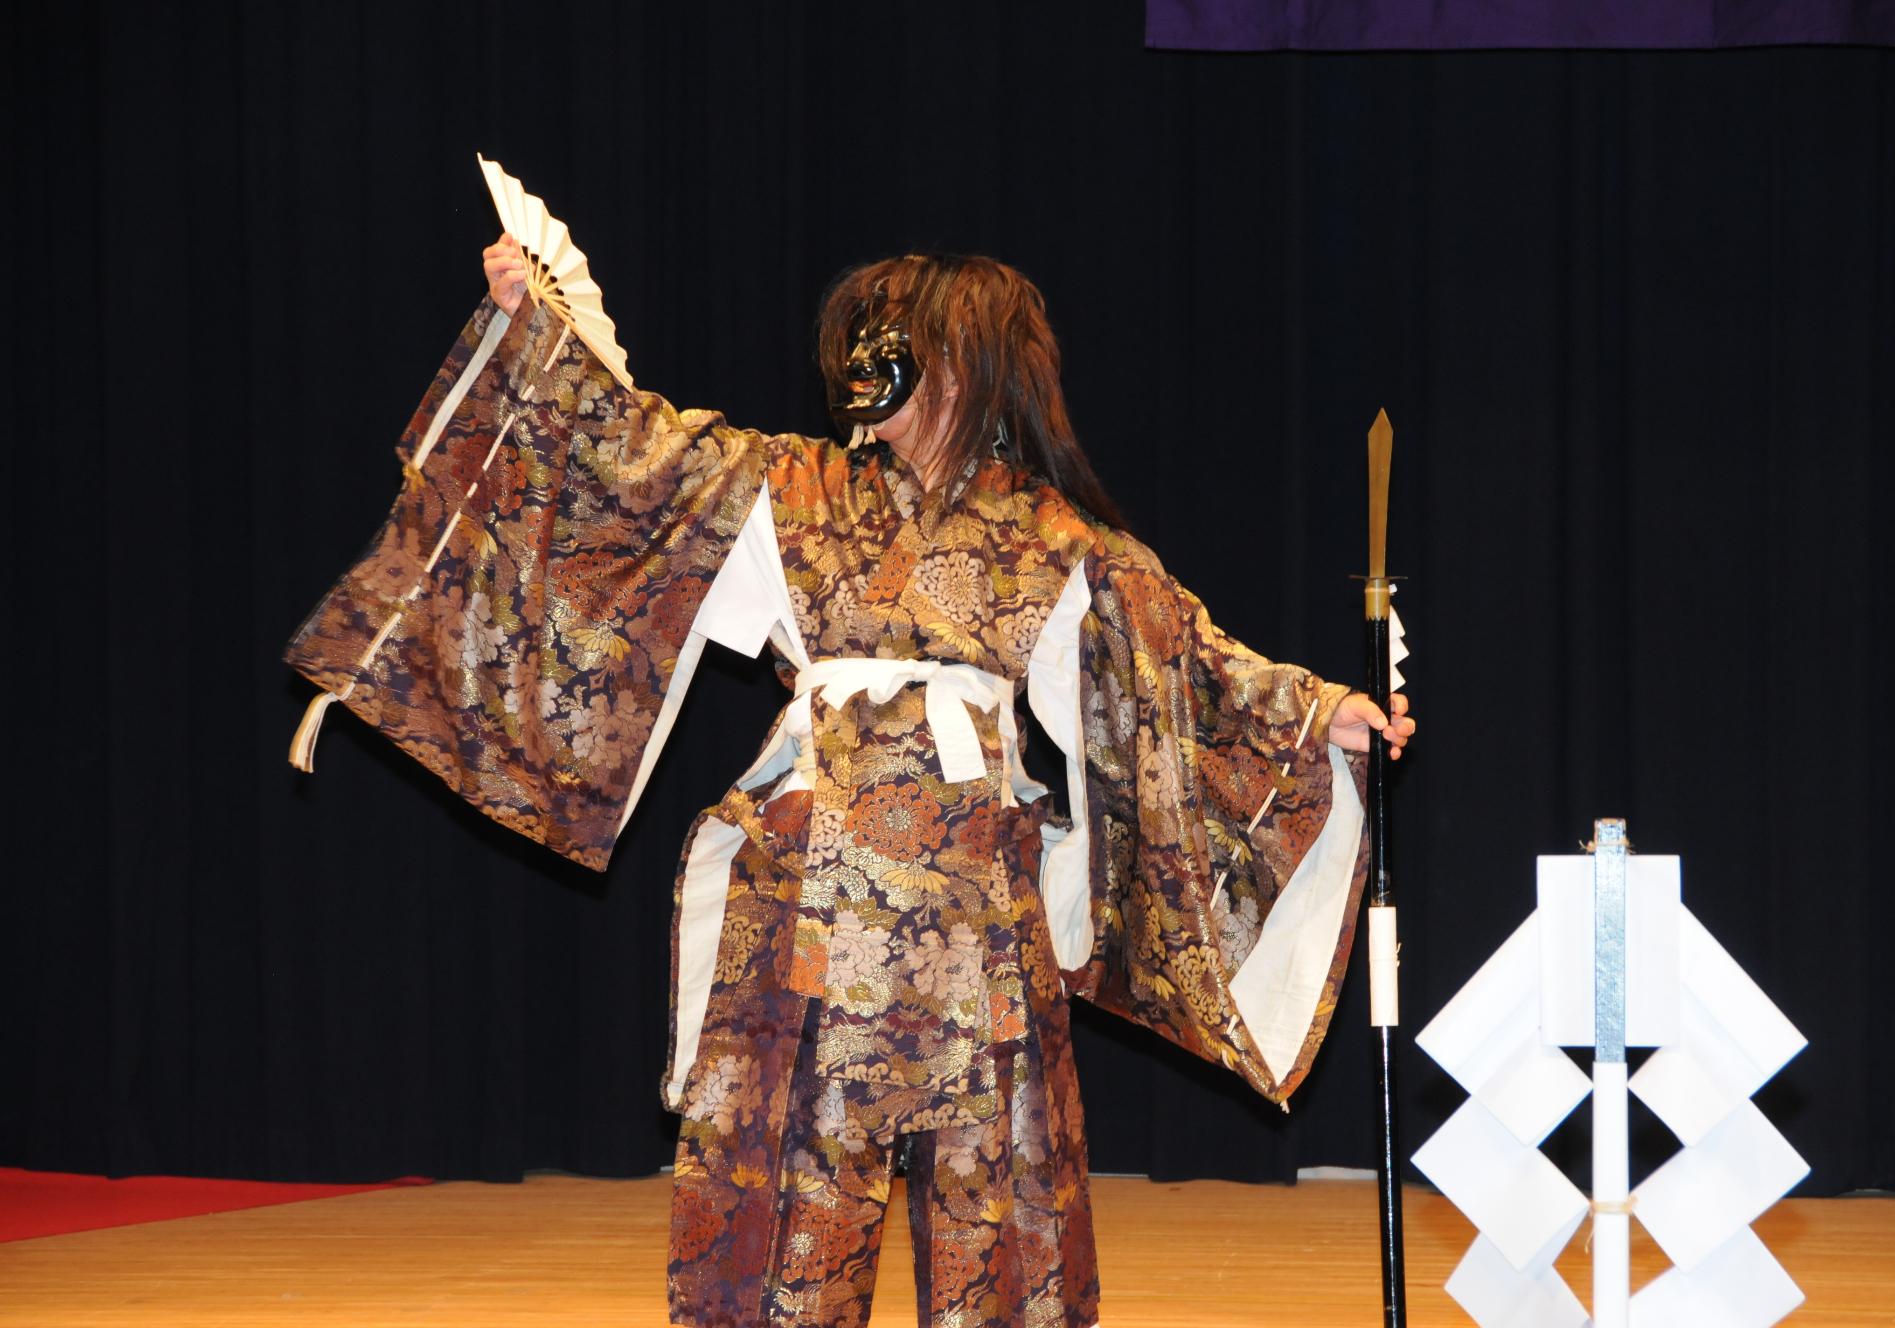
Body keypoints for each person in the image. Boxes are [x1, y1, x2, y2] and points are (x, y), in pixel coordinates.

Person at [286, 236, 1414, 1328]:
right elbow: (631, 462)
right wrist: (539, 334)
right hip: (801, 917)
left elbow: (1181, 667)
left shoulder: (1049, 540)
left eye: (902, 344)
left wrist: (1320, 715)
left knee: (1001, 1232)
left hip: (975, 937)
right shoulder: (795, 488)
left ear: (963, 368)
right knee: (785, 1222)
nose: (870, 367)